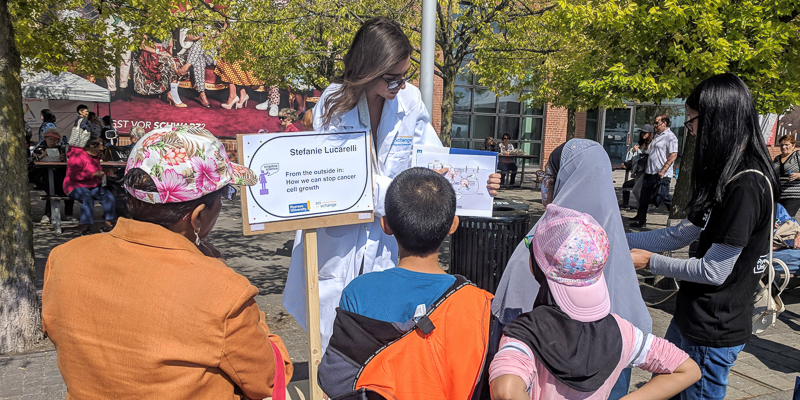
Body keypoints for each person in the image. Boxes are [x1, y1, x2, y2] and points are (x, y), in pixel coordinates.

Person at [282, 17, 501, 354]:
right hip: (339, 235)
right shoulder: (333, 103)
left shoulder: (409, 100)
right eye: (393, 78)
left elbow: (432, 163)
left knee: (380, 328)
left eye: (405, 76)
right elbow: (343, 180)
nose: (400, 85)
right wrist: (401, 196)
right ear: (368, 69)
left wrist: (476, 181)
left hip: (386, 235)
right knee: (330, 329)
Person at [42, 126, 293, 399]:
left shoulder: (65, 258)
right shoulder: (224, 290)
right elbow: (268, 378)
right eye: (225, 196)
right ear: (197, 216)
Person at [628, 73, 779, 400]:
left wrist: (650, 262)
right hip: (691, 318)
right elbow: (682, 233)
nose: (690, 129)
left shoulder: (746, 185)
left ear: (717, 119)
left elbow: (714, 271)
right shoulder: (724, 174)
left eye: (692, 120)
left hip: (713, 330)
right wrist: (622, 238)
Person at [492, 139, 652, 400]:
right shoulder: (608, 237)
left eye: (548, 175)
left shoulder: (543, 240)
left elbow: (512, 316)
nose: (544, 183)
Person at [490, 204, 700, 400]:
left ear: (536, 264)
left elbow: (507, 391)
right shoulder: (622, 331)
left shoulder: (524, 336)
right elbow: (687, 369)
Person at [319, 168, 494, 399]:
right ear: (453, 225)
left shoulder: (358, 290)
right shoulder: (478, 303)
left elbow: (339, 375)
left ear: (386, 226)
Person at [630, 115, 678, 228]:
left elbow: (673, 155)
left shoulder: (671, 137)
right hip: (650, 172)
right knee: (643, 197)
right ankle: (640, 221)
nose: (655, 125)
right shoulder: (657, 136)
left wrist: (663, 170)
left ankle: (677, 215)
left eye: (657, 123)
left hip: (662, 174)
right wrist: (647, 165)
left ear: (664, 123)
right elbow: (652, 153)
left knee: (662, 197)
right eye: (654, 123)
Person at [63, 137, 116, 236]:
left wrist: (108, 174)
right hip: (75, 185)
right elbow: (73, 176)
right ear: (92, 147)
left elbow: (97, 172)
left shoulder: (95, 157)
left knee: (108, 197)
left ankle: (108, 225)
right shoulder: (77, 156)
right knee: (87, 199)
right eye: (100, 150)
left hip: (93, 185)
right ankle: (85, 227)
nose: (101, 152)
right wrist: (93, 175)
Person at [29, 129, 73, 223]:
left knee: (69, 188)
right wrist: (41, 157)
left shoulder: (61, 149)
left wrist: (64, 158)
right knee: (52, 189)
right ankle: (48, 214)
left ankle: (68, 213)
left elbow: (69, 161)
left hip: (59, 174)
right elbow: (33, 162)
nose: (53, 142)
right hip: (43, 175)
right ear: (45, 139)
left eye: (55, 140)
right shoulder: (39, 149)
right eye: (50, 139)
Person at [133, 35, 188, 107]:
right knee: (171, 64)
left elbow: (170, 46)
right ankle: (173, 93)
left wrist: (171, 56)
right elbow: (143, 46)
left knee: (177, 61)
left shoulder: (168, 27)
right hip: (151, 54)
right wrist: (158, 52)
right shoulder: (147, 27)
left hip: (164, 53)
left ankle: (172, 92)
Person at [620, 124, 654, 208]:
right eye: (642, 132)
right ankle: (639, 211)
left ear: (650, 133)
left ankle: (644, 206)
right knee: (628, 186)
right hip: (639, 171)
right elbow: (636, 159)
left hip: (645, 172)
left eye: (645, 133)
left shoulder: (652, 145)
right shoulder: (641, 145)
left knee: (636, 190)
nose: (643, 134)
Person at [773, 135, 800, 219]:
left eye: (786, 144)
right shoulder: (777, 158)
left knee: (787, 219)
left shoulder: (797, 155)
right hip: (778, 194)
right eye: (781, 145)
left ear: (793, 145)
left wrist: (798, 175)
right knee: (777, 219)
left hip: (793, 195)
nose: (783, 147)